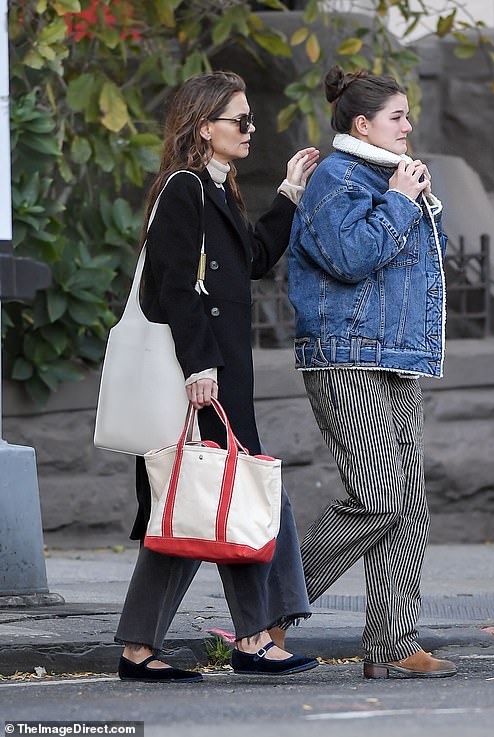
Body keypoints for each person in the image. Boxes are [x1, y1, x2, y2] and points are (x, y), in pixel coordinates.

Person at [114, 71, 320, 682]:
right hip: (200, 376)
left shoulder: (217, 187)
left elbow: (252, 259)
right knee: (220, 499)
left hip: (219, 373)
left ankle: (214, 640)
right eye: (241, 120)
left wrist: (287, 195)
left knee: (210, 502)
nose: (251, 129)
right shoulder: (184, 189)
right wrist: (199, 364)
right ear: (205, 127)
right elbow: (172, 285)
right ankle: (249, 637)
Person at [286, 66, 457, 679]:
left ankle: (394, 646)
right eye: (397, 117)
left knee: (409, 506)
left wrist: (405, 196)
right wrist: (402, 201)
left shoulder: (387, 177)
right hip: (345, 355)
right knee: (377, 500)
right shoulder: (338, 178)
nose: (409, 127)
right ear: (363, 124)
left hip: (395, 359)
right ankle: (271, 607)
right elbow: (351, 259)